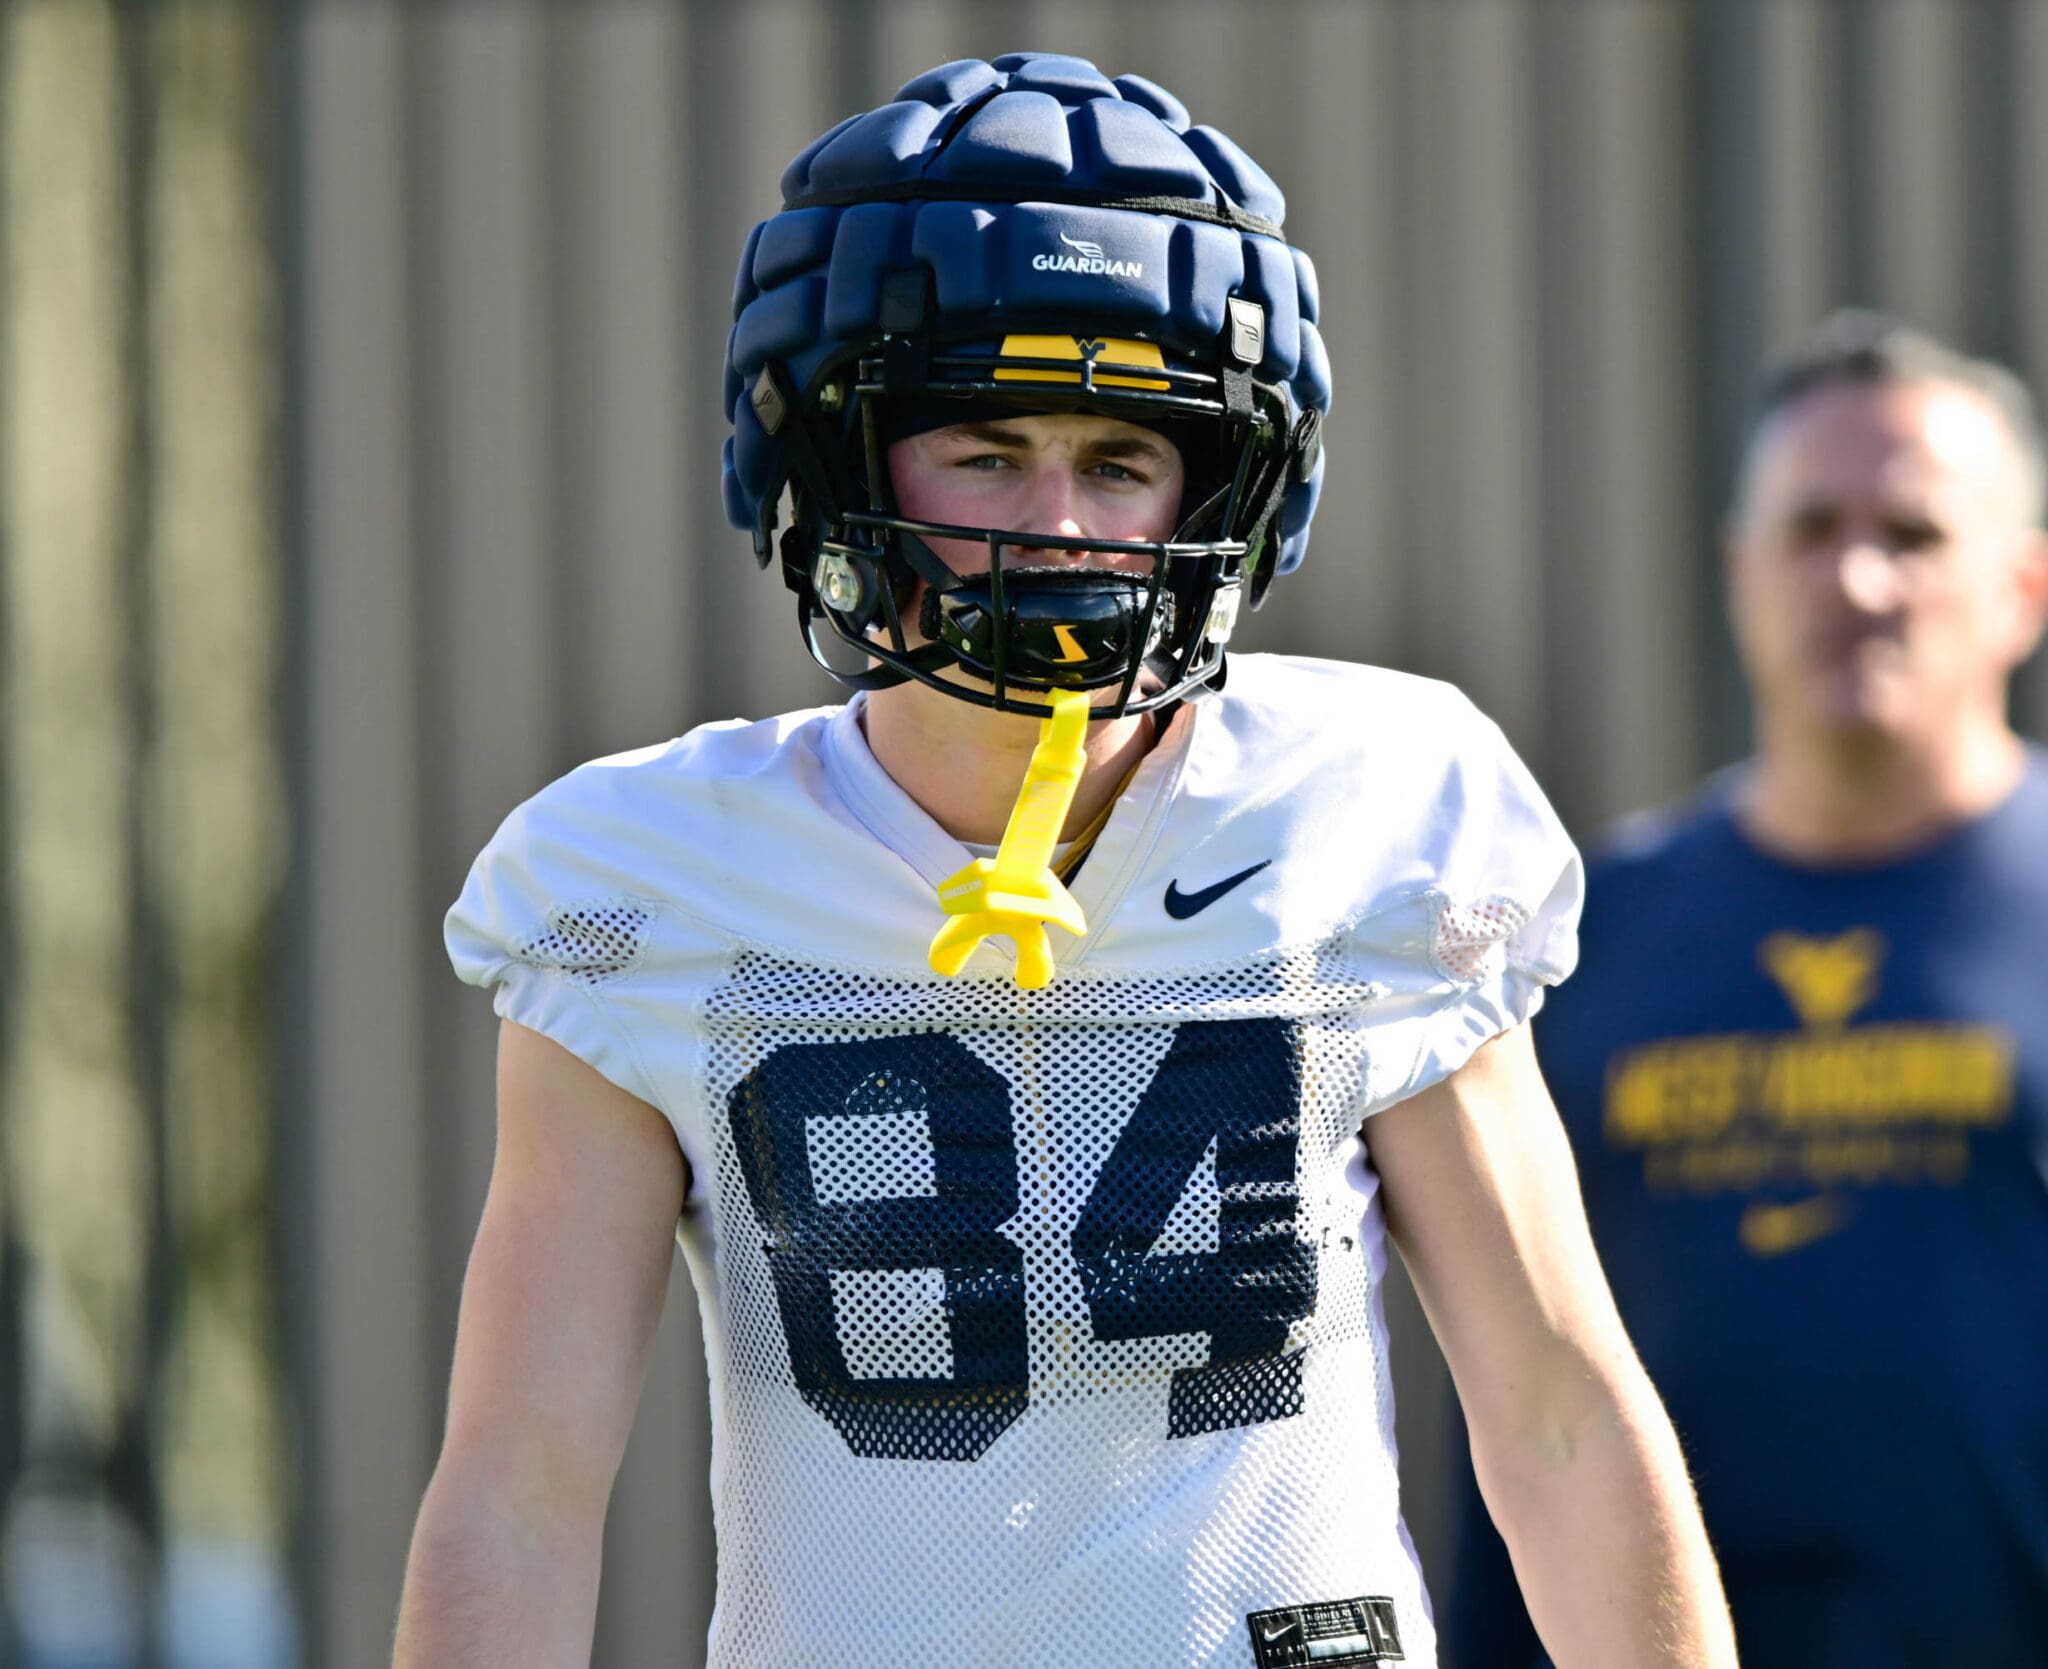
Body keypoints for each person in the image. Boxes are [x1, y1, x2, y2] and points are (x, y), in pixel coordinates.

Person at [393, 53, 1734, 1668]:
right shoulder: (646, 881)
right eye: (985, 449)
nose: (1060, 527)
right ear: (838, 461)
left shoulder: (1372, 811)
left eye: (1120, 462)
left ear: (1217, 491)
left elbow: (1561, 1413)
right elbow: (523, 1486)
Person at [1444, 311, 2048, 1668]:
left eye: (1913, 534)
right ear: (1740, 573)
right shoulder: (1584, 929)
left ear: (2023, 587)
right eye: (1814, 528)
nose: (1860, 579)